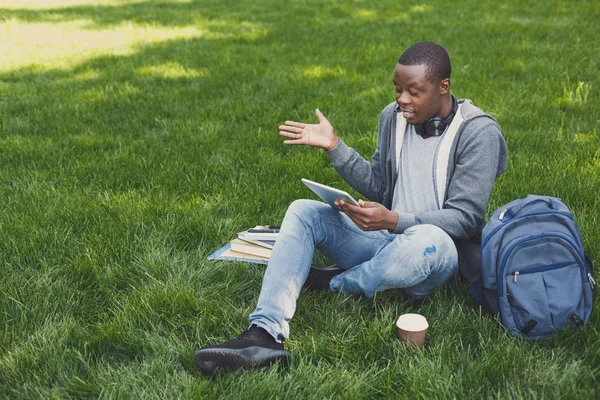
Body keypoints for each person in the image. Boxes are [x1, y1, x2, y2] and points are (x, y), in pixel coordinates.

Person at [194, 41, 508, 376]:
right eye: (398, 89)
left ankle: (334, 283)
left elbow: (465, 218)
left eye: (413, 91)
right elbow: (378, 186)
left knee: (427, 238)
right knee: (303, 210)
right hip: (384, 239)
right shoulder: (393, 118)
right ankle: (265, 334)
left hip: (435, 253)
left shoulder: (478, 132)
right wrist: (334, 146)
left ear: (443, 87)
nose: (402, 99)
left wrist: (396, 219)